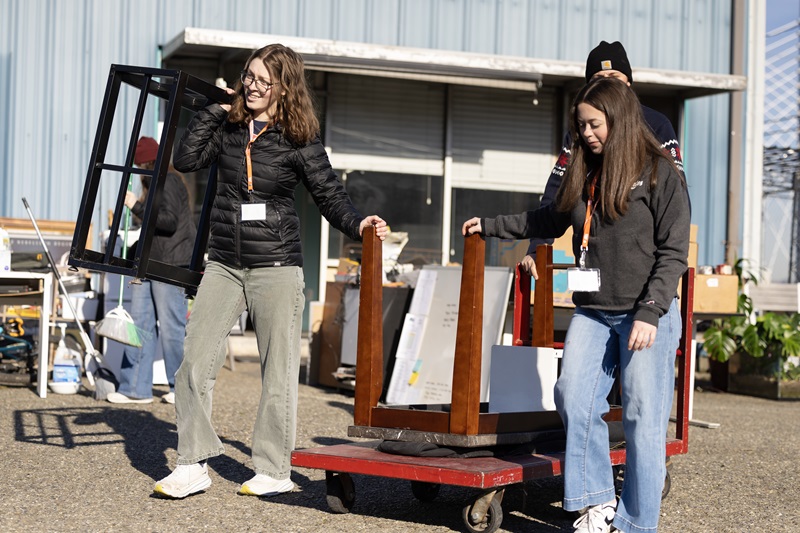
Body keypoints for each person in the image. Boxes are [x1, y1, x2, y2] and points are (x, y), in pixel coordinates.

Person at [153, 44, 388, 499]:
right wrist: (214, 109)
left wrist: (358, 223)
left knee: (277, 372)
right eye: (249, 76)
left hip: (276, 266)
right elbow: (186, 160)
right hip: (224, 262)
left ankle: (274, 468)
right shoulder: (229, 124)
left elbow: (329, 195)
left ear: (285, 87)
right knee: (193, 363)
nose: (253, 86)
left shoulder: (299, 138)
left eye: (264, 80)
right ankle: (192, 463)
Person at [462, 76, 690, 533]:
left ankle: (635, 525)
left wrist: (650, 311)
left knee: (643, 417)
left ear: (620, 120)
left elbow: (674, 252)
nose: (586, 134)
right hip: (595, 309)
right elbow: (547, 216)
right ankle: (598, 501)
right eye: (580, 126)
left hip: (647, 312)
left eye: (594, 125)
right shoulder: (586, 171)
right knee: (572, 395)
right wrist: (490, 224)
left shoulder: (660, 171)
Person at [522, 40, 684, 279]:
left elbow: (676, 195)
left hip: (644, 266)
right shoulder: (583, 132)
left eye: (614, 76)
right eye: (599, 78)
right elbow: (556, 190)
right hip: (594, 258)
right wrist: (537, 248)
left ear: (628, 82)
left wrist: (668, 266)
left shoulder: (656, 125)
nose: (608, 83)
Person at [106, 136, 196, 405]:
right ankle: (134, 387)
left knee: (172, 329)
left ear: (147, 162)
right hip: (150, 264)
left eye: (139, 165)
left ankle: (181, 390)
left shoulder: (167, 181)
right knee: (140, 325)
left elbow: (167, 222)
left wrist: (136, 205)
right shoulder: (157, 183)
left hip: (169, 265)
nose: (138, 171)